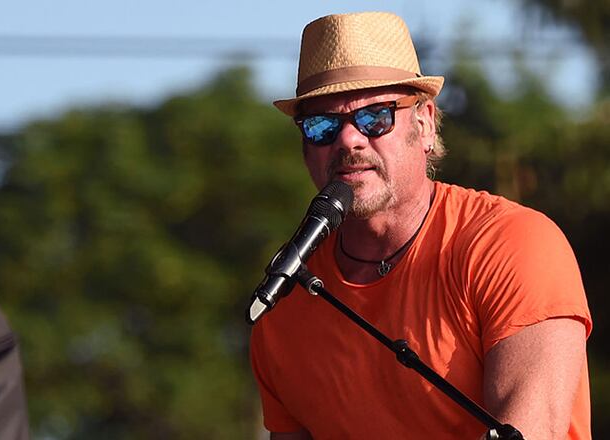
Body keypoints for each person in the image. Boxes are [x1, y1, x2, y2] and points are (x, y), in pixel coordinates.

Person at [249, 12, 592, 440]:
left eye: (376, 116)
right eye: (322, 125)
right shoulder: (284, 304)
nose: (349, 139)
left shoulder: (513, 245)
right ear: (305, 148)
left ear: (426, 124)